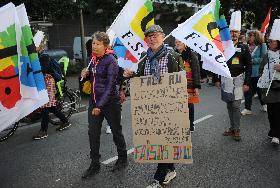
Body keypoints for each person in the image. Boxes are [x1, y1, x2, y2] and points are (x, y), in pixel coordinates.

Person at [124, 25, 183, 188]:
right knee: (157, 140)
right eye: (149, 36)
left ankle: (158, 178)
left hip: (168, 104)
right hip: (150, 105)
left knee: (163, 140)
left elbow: (181, 80)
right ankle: (170, 169)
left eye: (155, 35)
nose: (152, 38)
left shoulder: (173, 56)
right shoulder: (144, 56)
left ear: (163, 36)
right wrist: (132, 75)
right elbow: (144, 79)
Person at [81, 32, 128, 179]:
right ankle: (94, 164)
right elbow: (92, 80)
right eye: (93, 43)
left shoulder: (111, 60)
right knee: (93, 133)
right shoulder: (92, 59)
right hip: (95, 101)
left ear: (105, 46)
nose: (94, 46)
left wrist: (99, 106)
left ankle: (122, 158)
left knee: (116, 131)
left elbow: (110, 86)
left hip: (110, 102)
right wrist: (85, 74)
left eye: (97, 44)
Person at [216, 11, 252, 141]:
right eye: (231, 32)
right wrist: (217, 79)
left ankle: (237, 129)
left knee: (236, 105)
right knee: (229, 105)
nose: (234, 34)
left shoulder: (244, 48)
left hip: (238, 79)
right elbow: (216, 63)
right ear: (228, 33)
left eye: (236, 32)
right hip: (226, 79)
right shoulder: (223, 46)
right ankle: (232, 128)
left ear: (239, 33)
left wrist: (247, 82)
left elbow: (249, 66)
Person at [33, 41, 71, 140]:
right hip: (45, 82)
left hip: (48, 81)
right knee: (51, 106)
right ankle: (65, 121)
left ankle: (43, 131)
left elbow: (44, 69)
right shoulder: (39, 56)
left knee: (46, 106)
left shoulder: (44, 56)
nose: (33, 48)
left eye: (35, 46)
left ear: (39, 47)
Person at [257, 19, 280, 146]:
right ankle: (275, 129)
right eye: (269, 41)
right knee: (271, 112)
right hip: (268, 87)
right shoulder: (267, 54)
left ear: (279, 42)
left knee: (279, 112)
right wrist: (263, 78)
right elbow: (262, 68)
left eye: (272, 41)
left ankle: (276, 135)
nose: (270, 43)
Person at [175, 39, 201, 132]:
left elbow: (196, 71)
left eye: (179, 42)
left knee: (189, 104)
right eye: (176, 42)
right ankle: (181, 123)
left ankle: (191, 124)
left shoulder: (191, 54)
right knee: (179, 105)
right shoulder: (174, 54)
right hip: (177, 84)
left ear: (185, 43)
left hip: (189, 84)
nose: (177, 43)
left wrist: (196, 86)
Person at [241, 30, 268, 115]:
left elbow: (264, 58)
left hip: (258, 72)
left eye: (251, 35)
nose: (249, 37)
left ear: (256, 36)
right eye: (249, 35)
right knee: (247, 90)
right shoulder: (246, 46)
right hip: (248, 73)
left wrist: (252, 60)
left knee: (260, 90)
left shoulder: (262, 45)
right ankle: (247, 108)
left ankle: (264, 104)